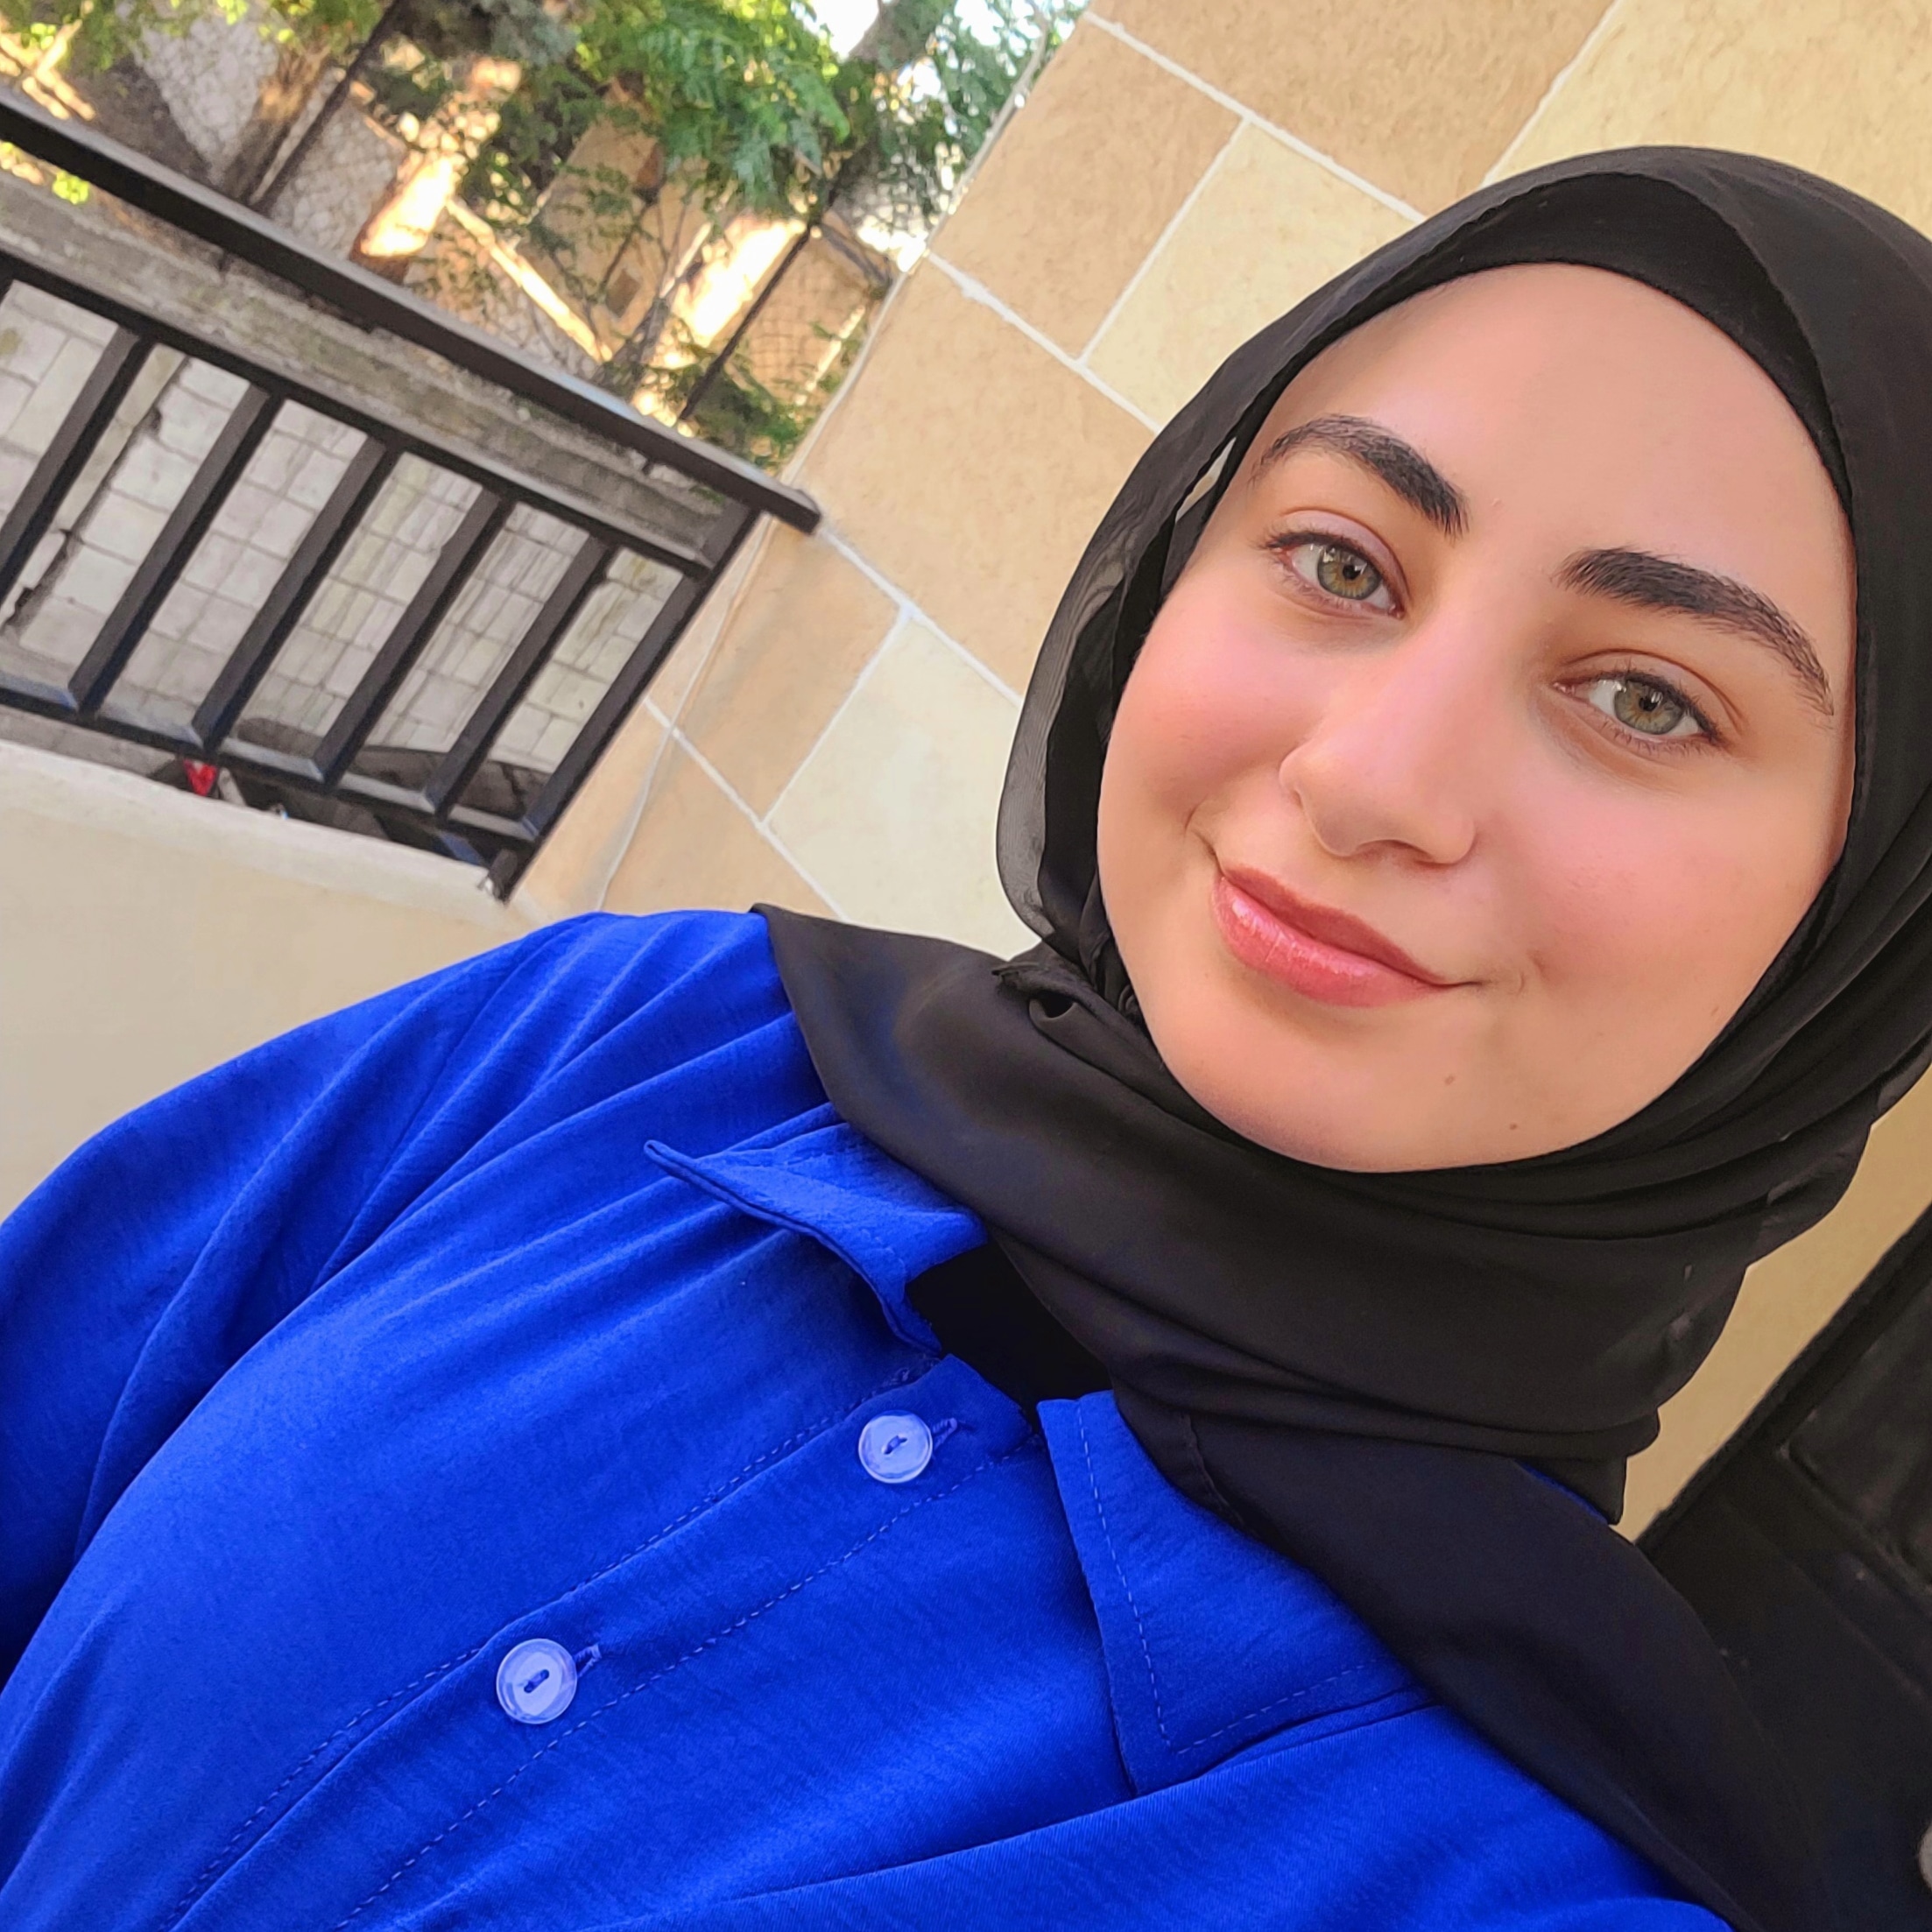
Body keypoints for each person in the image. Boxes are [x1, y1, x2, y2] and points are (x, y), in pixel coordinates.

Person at [4, 145, 1926, 1931]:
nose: (1368, 778)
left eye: (1646, 698)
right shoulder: (636, 1034)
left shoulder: (1500, 1876)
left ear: (1858, 934)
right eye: (1342, 559)